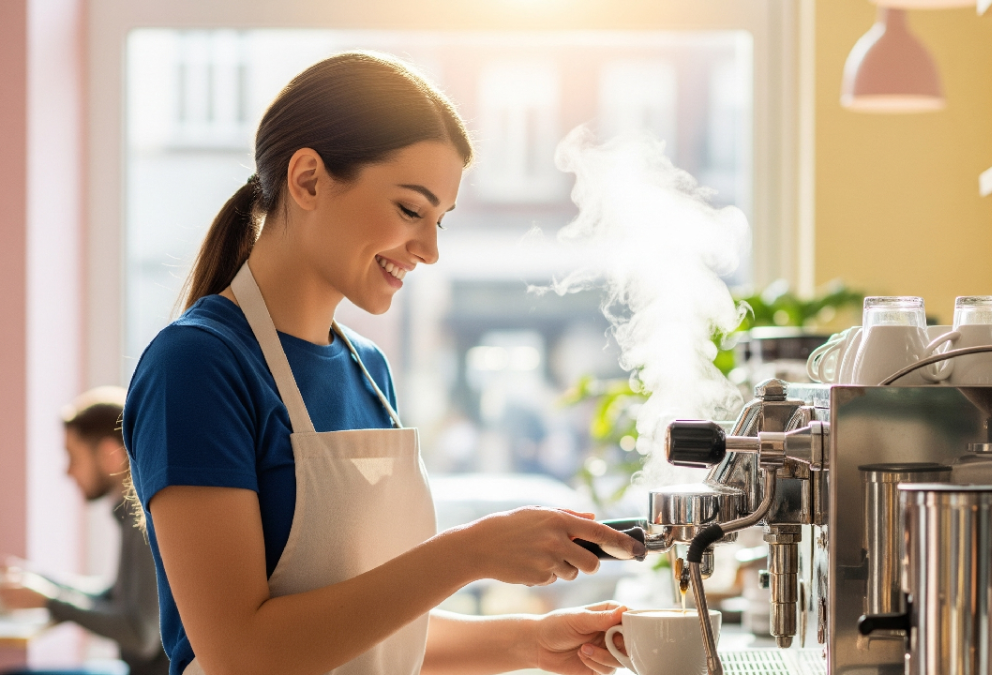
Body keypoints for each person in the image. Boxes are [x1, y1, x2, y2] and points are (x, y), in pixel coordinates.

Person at [121, 51, 645, 675]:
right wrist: (471, 553)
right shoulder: (197, 366)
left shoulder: (367, 368)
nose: (428, 250)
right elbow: (243, 652)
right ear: (309, 179)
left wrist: (529, 641)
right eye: (409, 210)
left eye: (440, 221)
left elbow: (366, 630)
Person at [1, 387, 169, 675]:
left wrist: (48, 601)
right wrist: (43, 583)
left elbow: (141, 636)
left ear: (109, 455)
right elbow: (115, 596)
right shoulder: (131, 514)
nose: (68, 472)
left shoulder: (144, 519)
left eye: (73, 457)